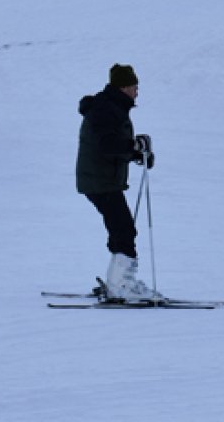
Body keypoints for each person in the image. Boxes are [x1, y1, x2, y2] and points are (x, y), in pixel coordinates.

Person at [76, 64, 159, 302]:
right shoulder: (106, 109)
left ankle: (117, 281)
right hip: (99, 179)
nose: (137, 92)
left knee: (121, 228)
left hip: (101, 179)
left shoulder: (110, 107)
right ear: (123, 87)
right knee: (123, 229)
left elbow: (113, 144)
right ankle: (121, 285)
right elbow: (108, 145)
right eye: (134, 86)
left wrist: (138, 153)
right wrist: (134, 147)